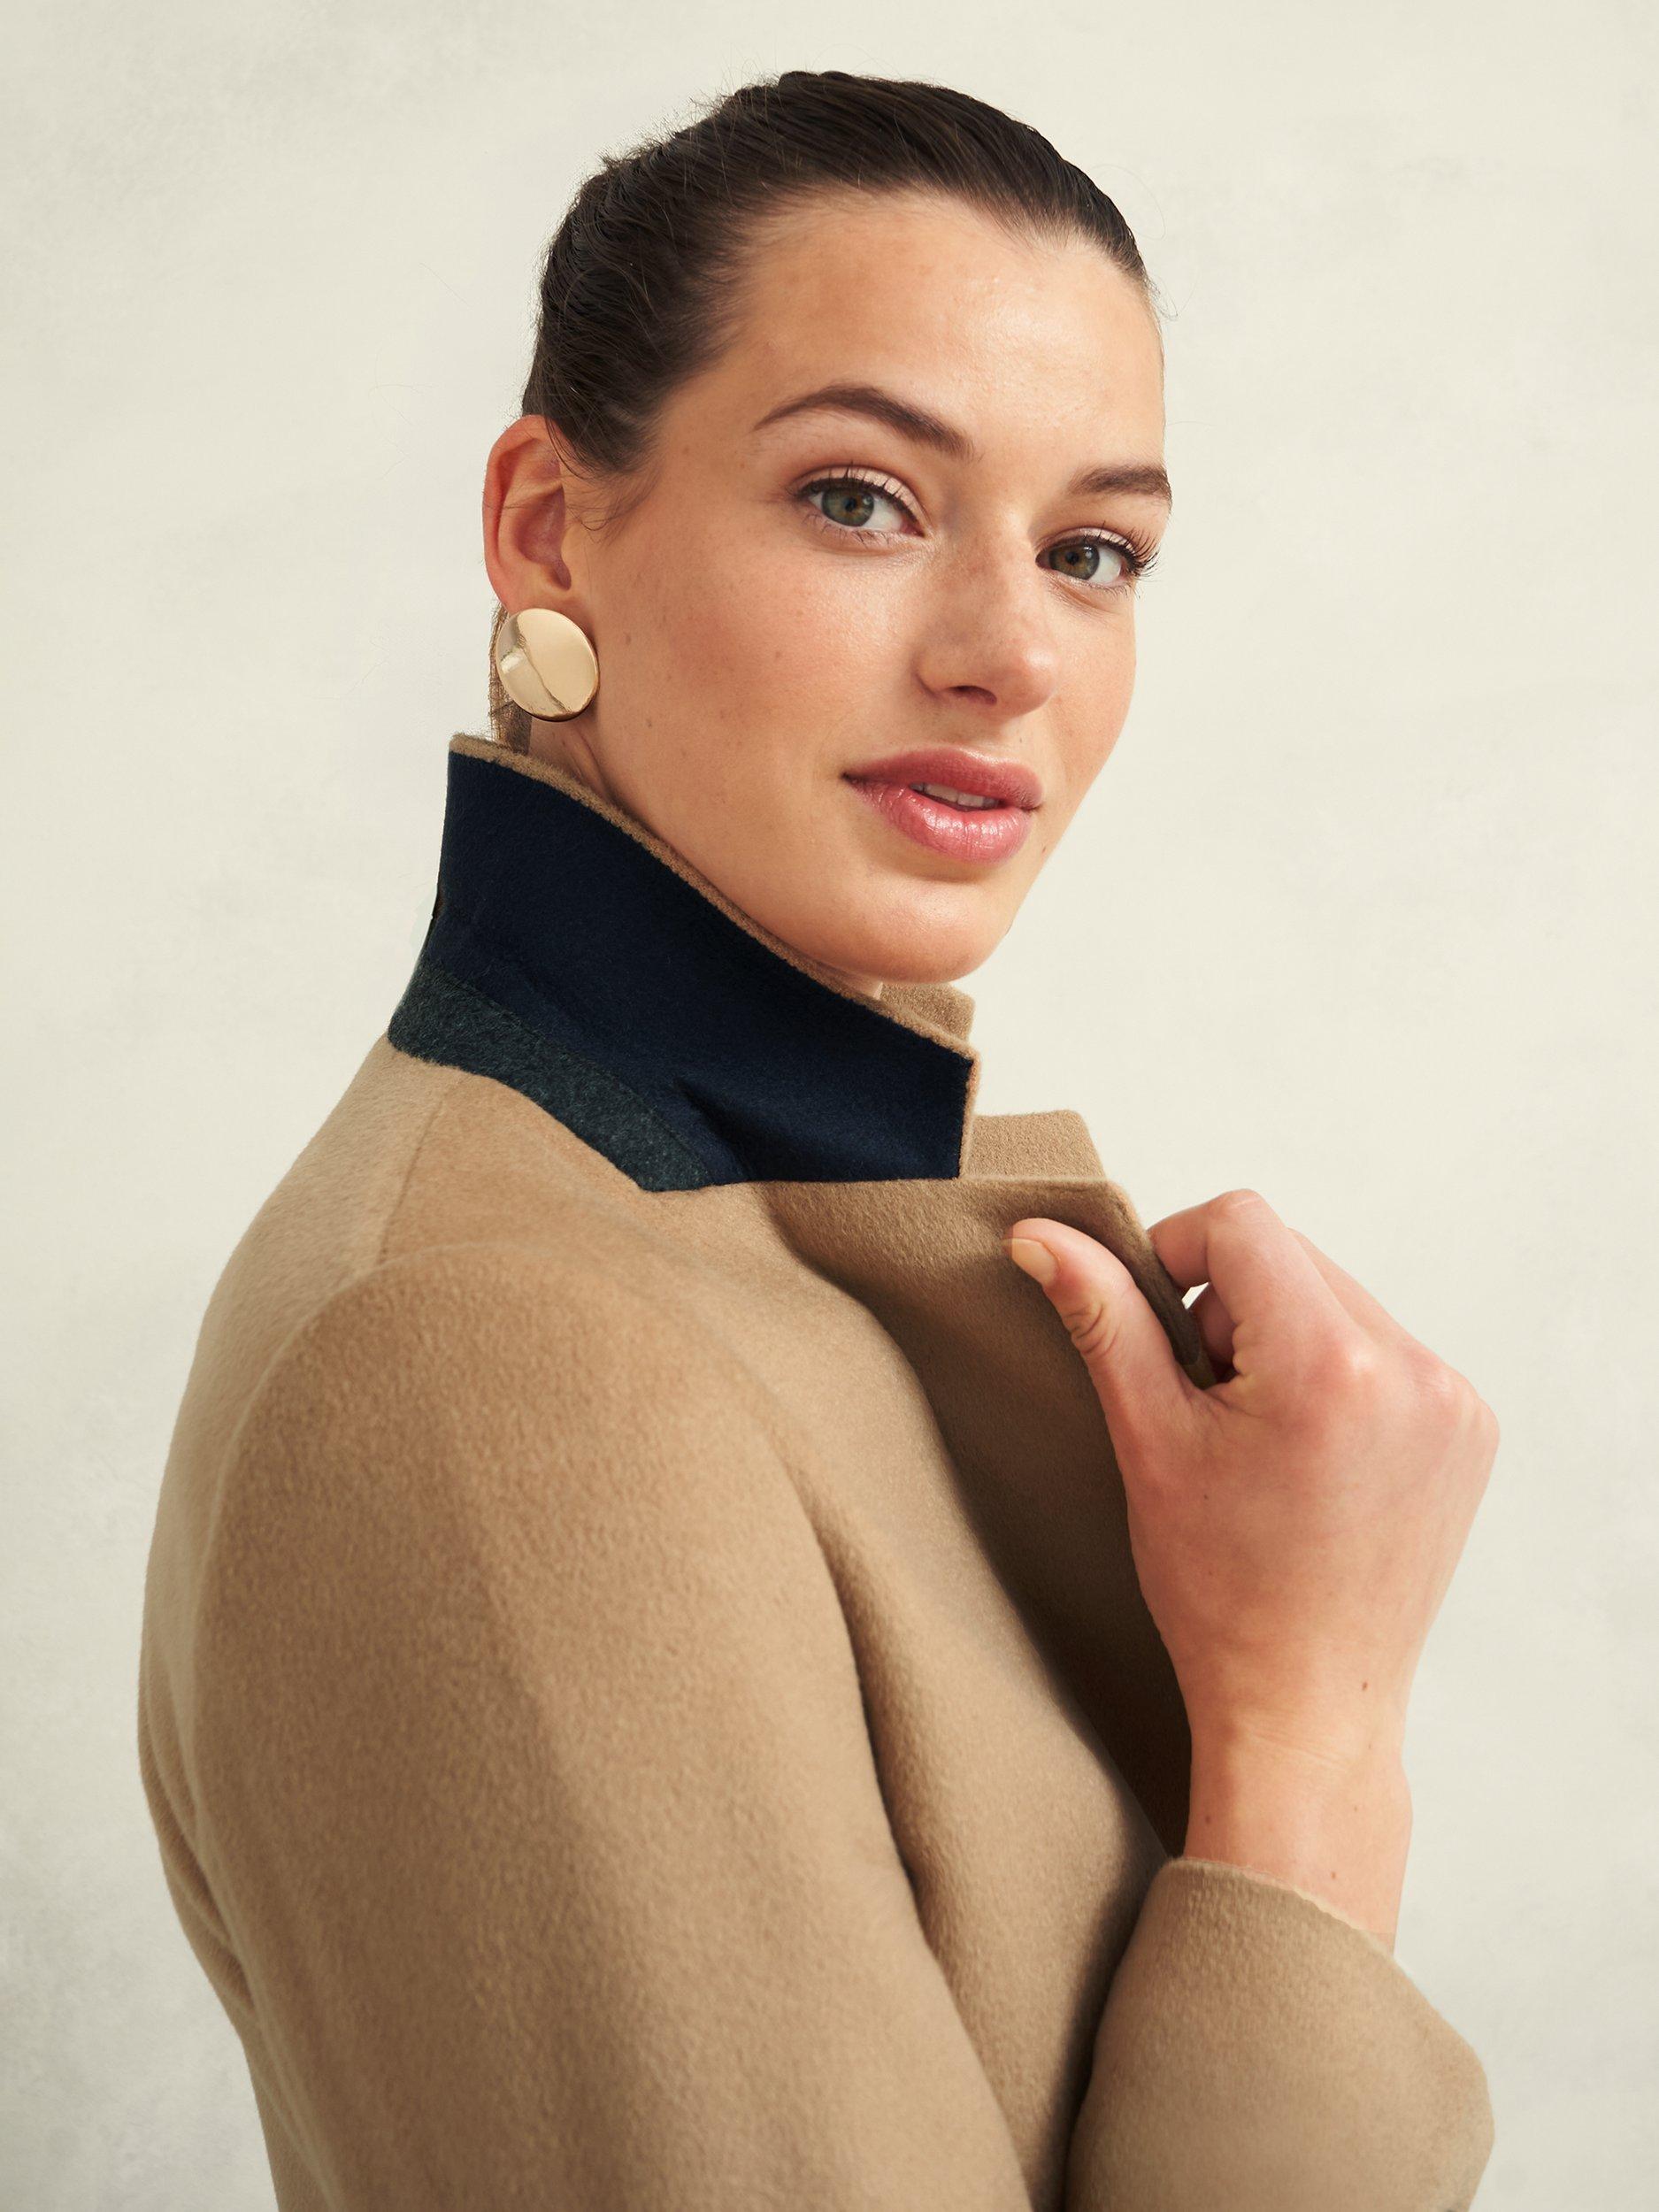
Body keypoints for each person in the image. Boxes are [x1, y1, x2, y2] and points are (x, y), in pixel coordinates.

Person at [136, 67, 1499, 2212]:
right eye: (860, 499)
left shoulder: (686, 1257)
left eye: (1090, 551)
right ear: (548, 525)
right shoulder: (488, 1357)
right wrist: (1306, 1723)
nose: (1007, 651)